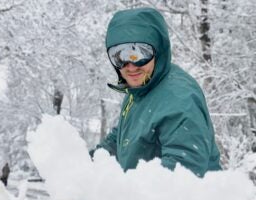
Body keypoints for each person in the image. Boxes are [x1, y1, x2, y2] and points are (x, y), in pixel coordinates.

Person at [90, 7, 221, 177]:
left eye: (139, 54)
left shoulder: (180, 99)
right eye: (119, 56)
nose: (130, 66)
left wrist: (125, 197)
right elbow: (122, 135)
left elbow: (183, 172)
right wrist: (90, 161)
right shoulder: (141, 89)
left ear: (158, 50)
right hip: (144, 198)